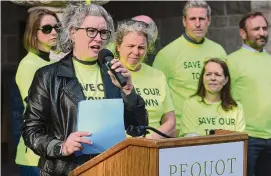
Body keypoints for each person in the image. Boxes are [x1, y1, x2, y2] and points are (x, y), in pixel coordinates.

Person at [21, 3, 148, 176]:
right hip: (66, 169)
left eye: (103, 32)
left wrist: (128, 90)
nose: (98, 38)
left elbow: (138, 128)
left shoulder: (113, 74)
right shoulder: (48, 76)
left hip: (110, 167)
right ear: (73, 32)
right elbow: (31, 131)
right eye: (91, 31)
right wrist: (61, 146)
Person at [152, 0, 227, 132]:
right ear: (184, 21)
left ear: (209, 20)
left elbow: (226, 90)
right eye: (192, 19)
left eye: (202, 19)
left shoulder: (219, 51)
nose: (197, 24)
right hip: (182, 131)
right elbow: (157, 97)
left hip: (215, 129)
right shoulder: (167, 54)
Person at [15, 8, 60, 175]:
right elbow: (39, 107)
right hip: (34, 156)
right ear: (33, 33)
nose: (54, 32)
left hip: (53, 152)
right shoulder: (28, 65)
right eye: (47, 28)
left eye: (57, 27)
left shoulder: (50, 64)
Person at [226, 12, 271, 176]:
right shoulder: (230, 61)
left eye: (265, 28)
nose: (262, 33)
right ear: (243, 33)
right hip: (247, 138)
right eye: (256, 29)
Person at [115, 20, 176, 138]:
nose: (136, 52)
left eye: (141, 47)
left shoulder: (158, 76)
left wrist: (149, 141)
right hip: (121, 148)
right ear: (118, 46)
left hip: (154, 145)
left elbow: (170, 122)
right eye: (131, 46)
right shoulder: (110, 74)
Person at [180, 58, 245, 136]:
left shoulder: (236, 108)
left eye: (218, 75)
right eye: (208, 74)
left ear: (225, 80)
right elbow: (189, 140)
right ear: (203, 79)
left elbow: (240, 142)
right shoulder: (191, 104)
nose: (213, 78)